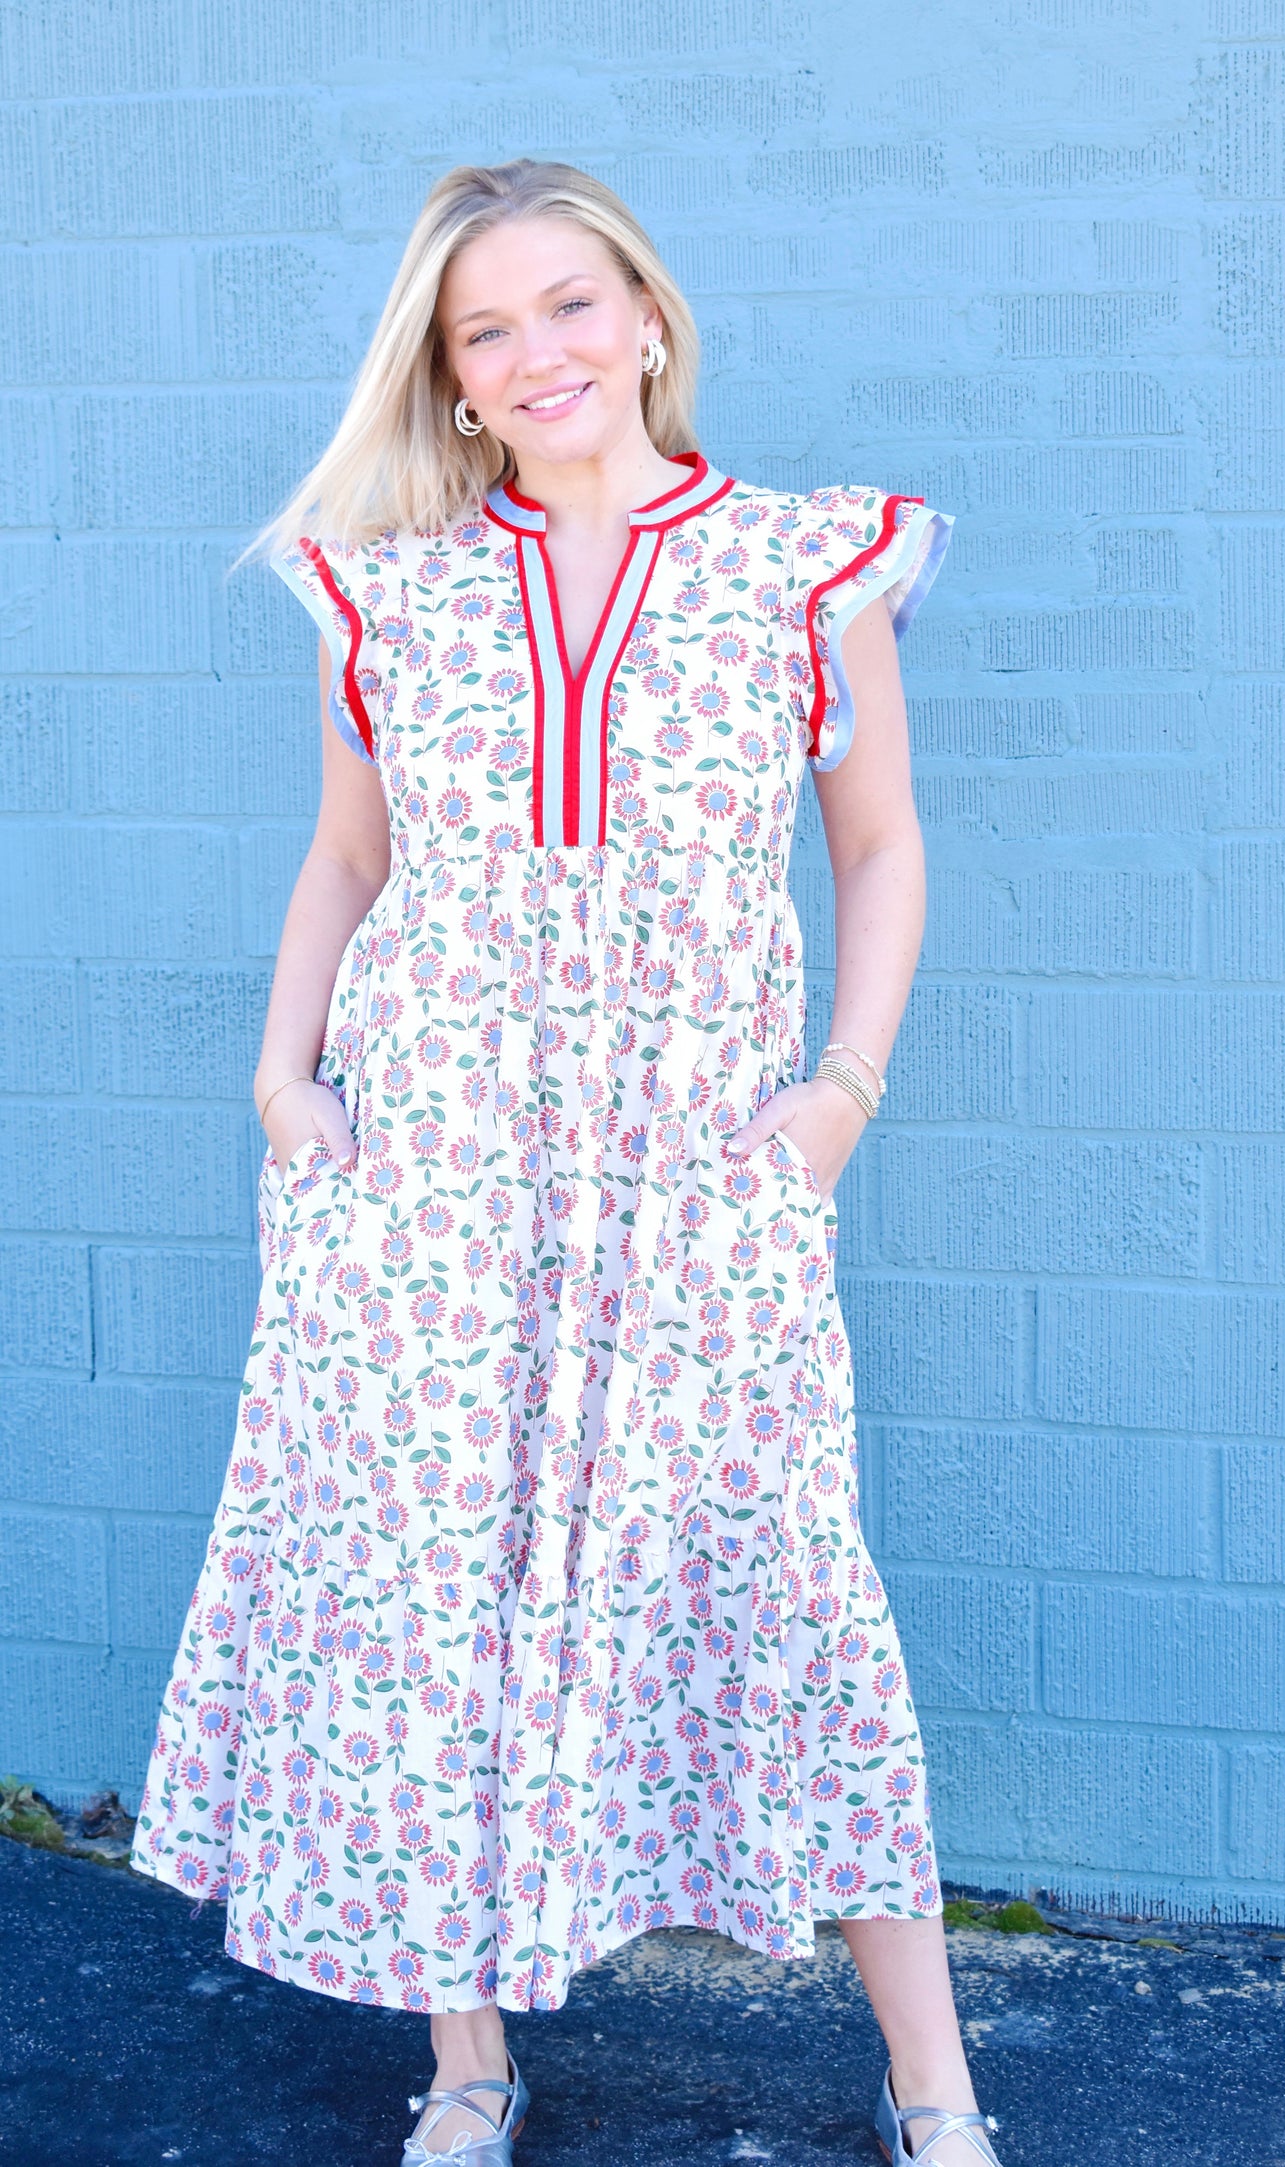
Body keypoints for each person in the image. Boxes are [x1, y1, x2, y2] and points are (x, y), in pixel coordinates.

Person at [129, 158, 998, 2167]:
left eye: (569, 304)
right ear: (445, 378)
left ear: (652, 317)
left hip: (702, 1175)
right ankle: (467, 2061)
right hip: (427, 1180)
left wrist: (838, 1092)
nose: (539, 353)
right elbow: (350, 860)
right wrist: (289, 1083)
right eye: (485, 329)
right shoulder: (397, 592)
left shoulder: (808, 563)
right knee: (445, 1594)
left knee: (786, 1577)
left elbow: (880, 844)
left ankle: (937, 2082)